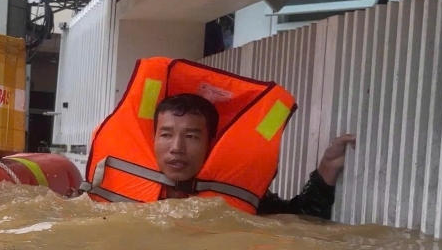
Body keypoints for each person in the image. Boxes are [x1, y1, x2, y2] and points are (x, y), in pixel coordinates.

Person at [152, 93, 355, 219]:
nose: (176, 147)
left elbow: (304, 220)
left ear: (211, 144)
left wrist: (327, 167)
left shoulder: (237, 194)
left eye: (191, 136)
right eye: (166, 135)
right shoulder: (122, 195)